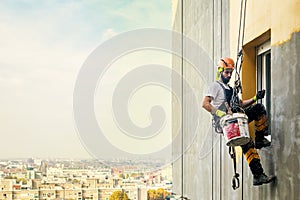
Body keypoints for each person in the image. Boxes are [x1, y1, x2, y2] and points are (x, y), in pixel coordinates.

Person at [202, 57, 276, 186]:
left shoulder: (229, 89)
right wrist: (221, 113)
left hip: (235, 118)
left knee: (258, 109)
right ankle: (258, 174)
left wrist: (255, 97)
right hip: (227, 123)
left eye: (231, 72)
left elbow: (240, 103)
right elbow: (205, 104)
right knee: (247, 143)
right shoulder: (215, 86)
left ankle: (260, 143)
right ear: (220, 71)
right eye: (226, 72)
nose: (229, 75)